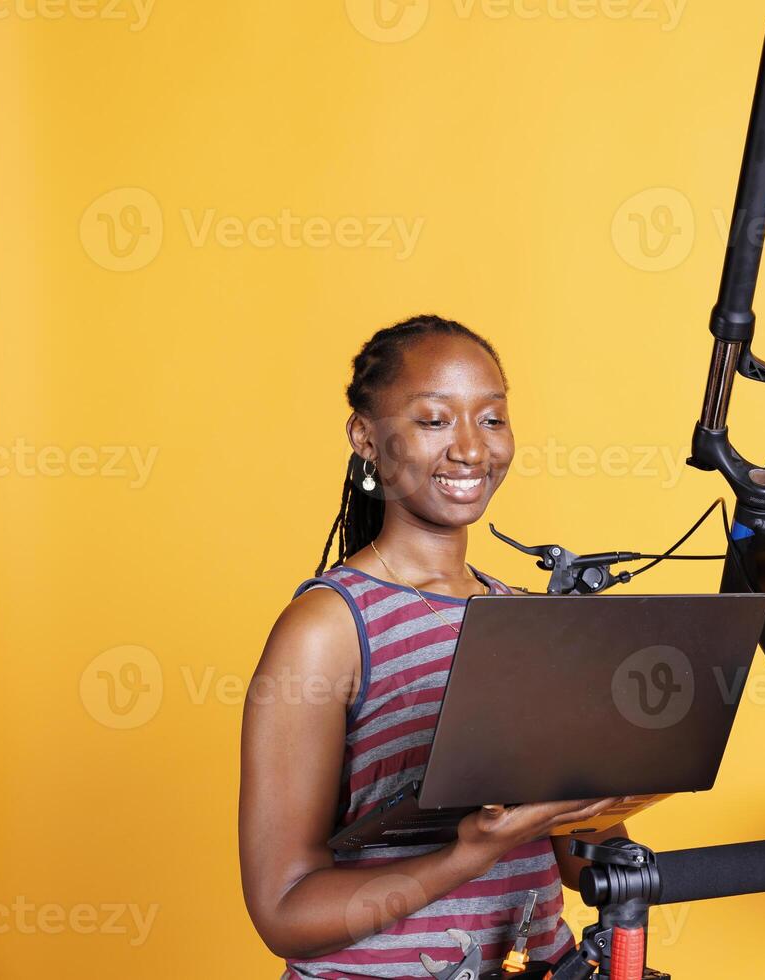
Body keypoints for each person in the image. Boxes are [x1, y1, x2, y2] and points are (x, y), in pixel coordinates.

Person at [240, 314, 624, 978]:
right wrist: (465, 854)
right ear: (366, 437)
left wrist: (607, 789)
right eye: (434, 420)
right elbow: (284, 912)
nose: (472, 450)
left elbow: (580, 859)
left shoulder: (531, 621)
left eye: (492, 419)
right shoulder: (328, 628)